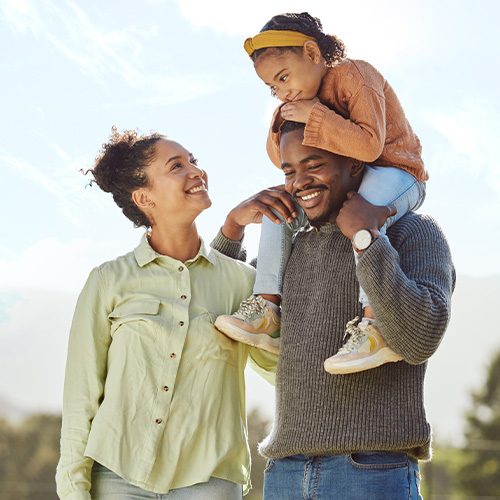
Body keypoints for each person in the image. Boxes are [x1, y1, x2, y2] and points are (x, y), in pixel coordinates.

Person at [211, 120, 455, 498]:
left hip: (372, 471)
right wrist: (232, 228)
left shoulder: (414, 231)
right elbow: (221, 303)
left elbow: (420, 337)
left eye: (314, 165)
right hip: (284, 473)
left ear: (354, 164)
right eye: (289, 171)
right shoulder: (294, 247)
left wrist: (366, 239)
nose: (299, 182)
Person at [55, 129, 278, 500]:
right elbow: (81, 396)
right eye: (177, 166)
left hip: (209, 480)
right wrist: (74, 488)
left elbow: (275, 367)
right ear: (144, 197)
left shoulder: (243, 282)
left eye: (194, 161)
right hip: (117, 476)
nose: (195, 171)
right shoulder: (109, 281)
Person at [215, 12, 428, 374]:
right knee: (279, 204)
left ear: (313, 54)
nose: (282, 91)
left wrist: (315, 114)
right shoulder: (300, 99)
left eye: (283, 77)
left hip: (396, 172)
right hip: (349, 179)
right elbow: (279, 157)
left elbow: (369, 146)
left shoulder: (355, 75)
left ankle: (375, 326)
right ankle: (268, 308)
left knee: (364, 209)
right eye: (272, 88)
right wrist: (282, 118)